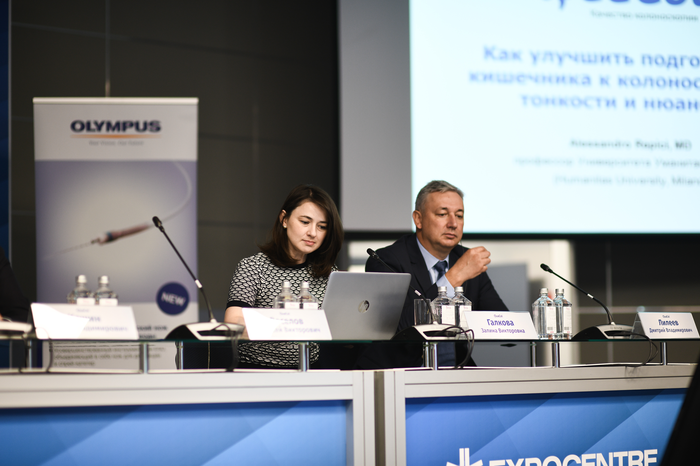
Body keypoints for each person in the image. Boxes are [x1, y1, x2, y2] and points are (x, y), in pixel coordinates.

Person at [364, 180, 507, 368]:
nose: (453, 224)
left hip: (456, 369)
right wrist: (452, 278)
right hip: (401, 371)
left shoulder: (466, 259)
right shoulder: (386, 260)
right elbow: (394, 328)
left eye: (459, 215)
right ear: (418, 219)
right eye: (442, 214)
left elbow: (505, 327)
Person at [224, 184, 343, 368]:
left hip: (311, 370)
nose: (312, 233)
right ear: (284, 219)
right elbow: (233, 323)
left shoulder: (329, 273)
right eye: (305, 222)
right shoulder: (253, 267)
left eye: (322, 226)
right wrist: (288, 325)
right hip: (257, 371)